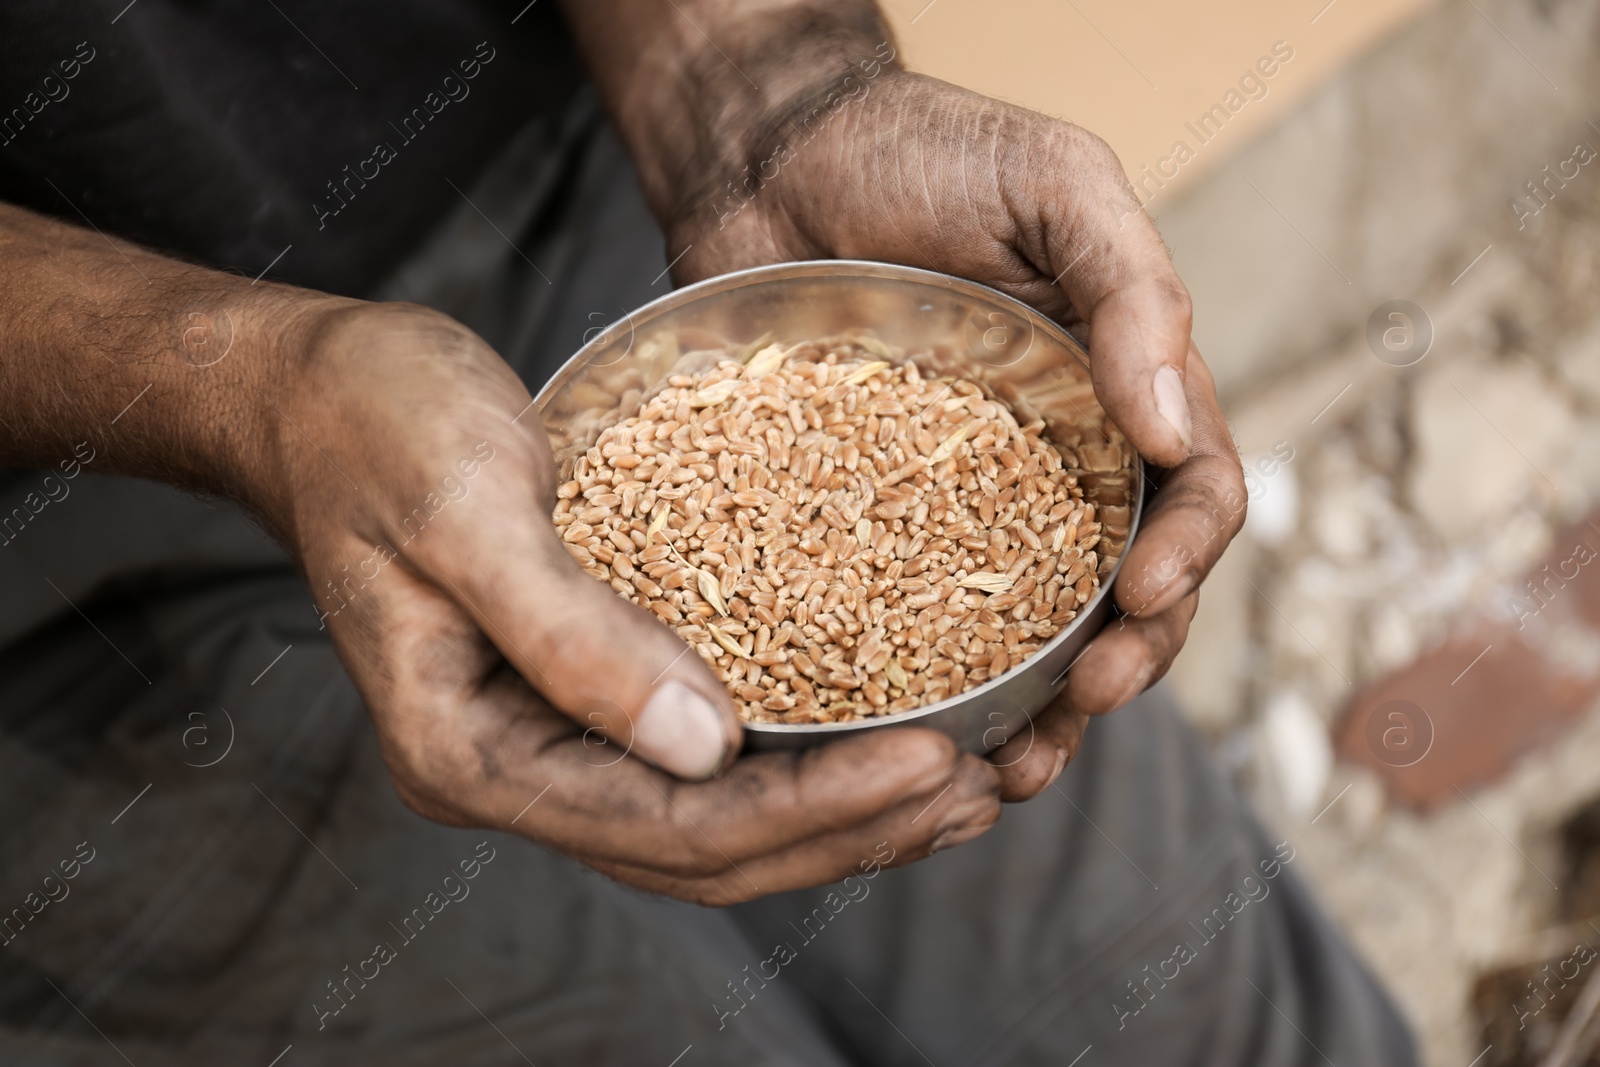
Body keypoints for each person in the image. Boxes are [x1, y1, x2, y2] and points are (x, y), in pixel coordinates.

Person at [0, 1, 1418, 1063]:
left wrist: (757, 83)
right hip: (50, 538)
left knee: (1191, 1005)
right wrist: (253, 387)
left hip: (647, 239)